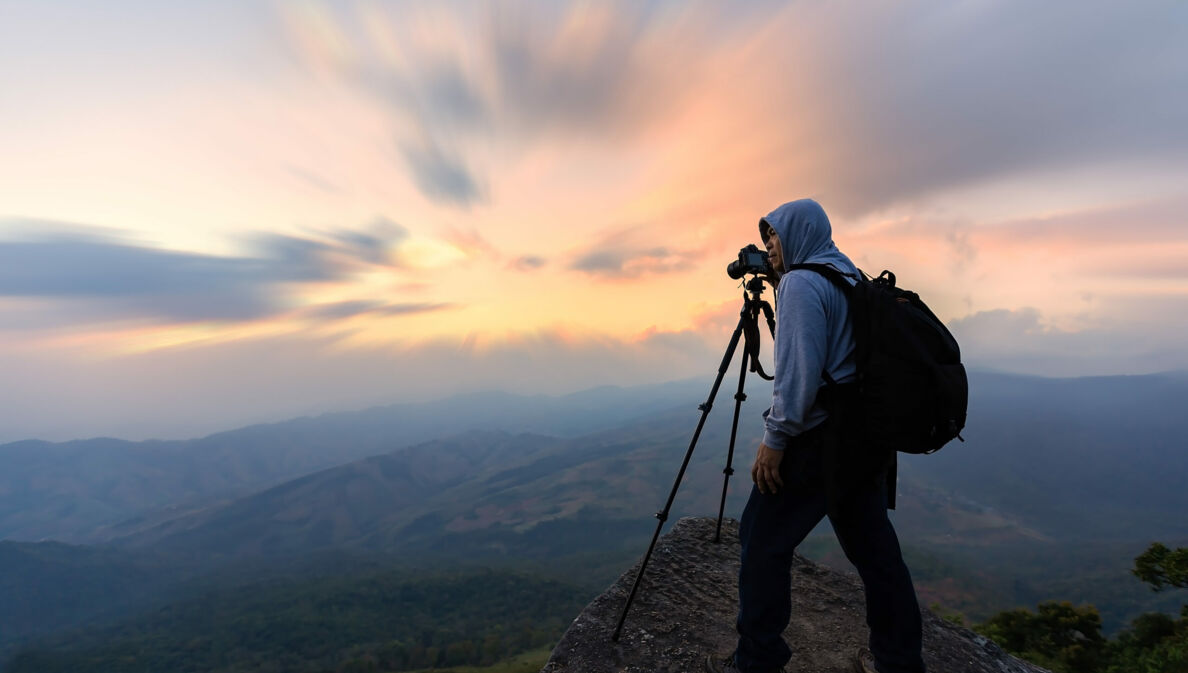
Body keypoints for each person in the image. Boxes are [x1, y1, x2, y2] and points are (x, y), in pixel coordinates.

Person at [706, 199, 926, 673]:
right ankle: (900, 661)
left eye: (774, 239)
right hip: (866, 438)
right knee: (877, 555)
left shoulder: (804, 284)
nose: (770, 250)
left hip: (821, 440)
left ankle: (757, 661)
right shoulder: (847, 273)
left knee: (761, 541)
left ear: (797, 234)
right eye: (765, 242)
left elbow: (798, 373)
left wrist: (775, 438)